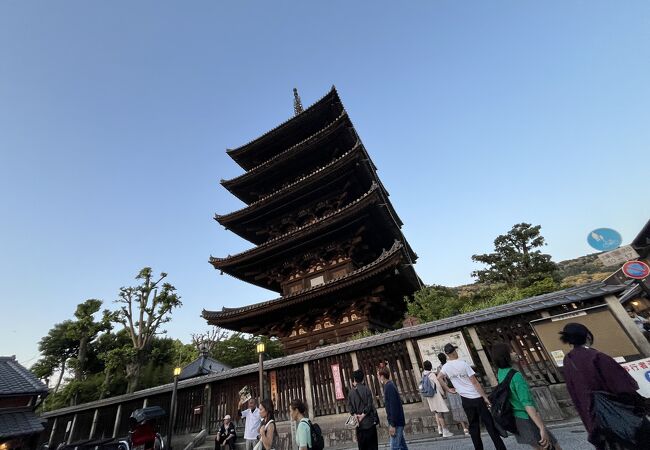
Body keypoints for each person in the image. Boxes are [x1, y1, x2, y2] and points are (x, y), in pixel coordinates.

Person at [560, 322, 642, 449]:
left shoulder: (568, 360)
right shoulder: (597, 357)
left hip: (593, 418)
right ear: (587, 336)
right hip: (618, 414)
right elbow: (623, 387)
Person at [491, 342, 562, 450]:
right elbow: (527, 403)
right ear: (505, 356)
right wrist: (541, 427)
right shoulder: (516, 376)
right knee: (553, 447)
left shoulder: (501, 372)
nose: (515, 353)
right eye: (511, 351)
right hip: (527, 418)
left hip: (515, 419)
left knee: (541, 447)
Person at [437, 343, 506, 450]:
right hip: (476, 397)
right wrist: (484, 397)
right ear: (454, 352)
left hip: (465, 399)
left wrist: (448, 389)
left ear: (447, 355)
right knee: (489, 424)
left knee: (473, 426)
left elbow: (439, 377)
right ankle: (500, 447)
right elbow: (475, 382)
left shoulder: (446, 367)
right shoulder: (463, 364)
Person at [437, 352, 469, 436]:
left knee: (456, 408)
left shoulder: (439, 368)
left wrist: (446, 389)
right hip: (458, 387)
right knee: (463, 405)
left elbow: (440, 381)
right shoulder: (450, 365)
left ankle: (464, 427)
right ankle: (468, 425)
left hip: (449, 390)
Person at [377, 365, 408, 450]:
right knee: (402, 446)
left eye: (378, 376)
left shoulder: (389, 387)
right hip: (398, 421)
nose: (378, 378)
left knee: (394, 446)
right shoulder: (389, 385)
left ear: (382, 376)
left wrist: (392, 425)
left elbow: (393, 407)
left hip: (396, 422)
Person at [347, 369, 379, 450]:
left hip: (359, 425)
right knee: (373, 447)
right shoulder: (367, 390)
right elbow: (369, 405)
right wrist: (363, 415)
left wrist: (355, 415)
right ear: (363, 379)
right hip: (369, 424)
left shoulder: (351, 393)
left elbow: (350, 407)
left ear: (354, 379)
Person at [421, 360, 453, 437]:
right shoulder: (431, 374)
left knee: (436, 412)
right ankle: (445, 431)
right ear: (430, 366)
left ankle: (439, 429)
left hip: (429, 396)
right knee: (440, 413)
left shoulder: (423, 374)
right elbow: (438, 385)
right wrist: (442, 393)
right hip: (436, 395)